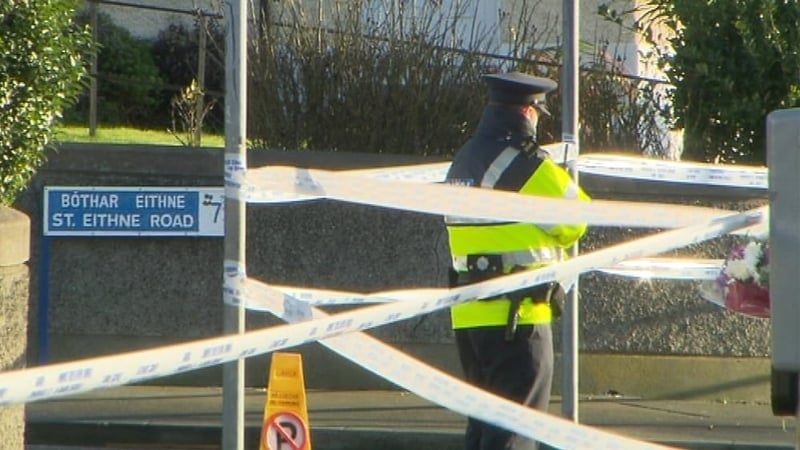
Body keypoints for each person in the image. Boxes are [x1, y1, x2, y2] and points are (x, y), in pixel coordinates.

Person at [444, 71, 590, 450]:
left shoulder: (463, 159)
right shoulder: (528, 166)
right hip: (519, 319)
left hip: (469, 318)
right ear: (528, 111)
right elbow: (577, 221)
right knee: (515, 433)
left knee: (483, 431)